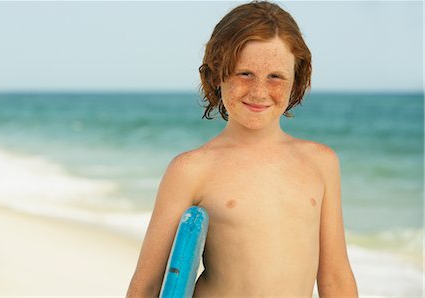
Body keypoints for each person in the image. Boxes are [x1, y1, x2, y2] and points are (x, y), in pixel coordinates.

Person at [127, 1, 358, 297]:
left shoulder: (321, 163)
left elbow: (336, 279)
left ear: (297, 80)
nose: (259, 91)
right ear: (216, 74)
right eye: (244, 74)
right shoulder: (191, 169)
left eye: (275, 76)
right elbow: (146, 284)